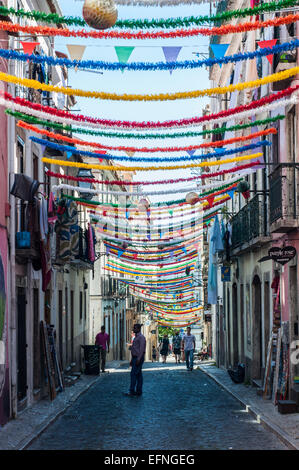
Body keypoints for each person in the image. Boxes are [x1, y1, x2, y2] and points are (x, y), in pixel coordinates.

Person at [124, 324, 146, 397]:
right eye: (134, 328)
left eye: (135, 328)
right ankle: (139, 391)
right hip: (134, 358)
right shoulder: (136, 337)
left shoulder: (141, 338)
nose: (133, 329)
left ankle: (132, 391)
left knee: (133, 374)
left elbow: (142, 349)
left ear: (139, 329)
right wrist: (132, 360)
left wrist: (138, 359)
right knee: (139, 374)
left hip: (138, 358)